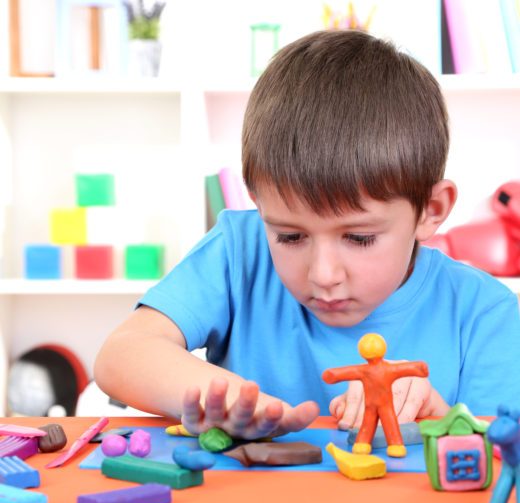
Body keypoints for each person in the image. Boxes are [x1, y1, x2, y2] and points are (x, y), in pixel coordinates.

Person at [94, 29, 520, 439]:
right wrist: (229, 401)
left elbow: (499, 461)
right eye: (291, 236)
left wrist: (439, 418)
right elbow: (121, 356)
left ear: (431, 210)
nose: (324, 274)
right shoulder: (240, 253)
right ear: (259, 202)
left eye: (359, 238)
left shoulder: (485, 314)